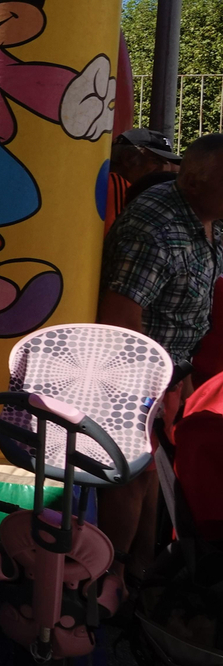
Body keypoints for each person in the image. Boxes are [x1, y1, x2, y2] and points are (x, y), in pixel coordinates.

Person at [97, 132, 223, 585]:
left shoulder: (208, 219)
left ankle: (139, 571)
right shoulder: (156, 228)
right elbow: (119, 320)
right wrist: (148, 395)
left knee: (152, 477)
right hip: (138, 376)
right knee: (132, 478)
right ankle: (103, 580)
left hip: (172, 372)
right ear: (194, 181)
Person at [104, 127, 181, 227]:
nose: (163, 169)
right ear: (128, 158)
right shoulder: (114, 184)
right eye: (156, 161)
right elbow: (117, 237)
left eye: (166, 162)